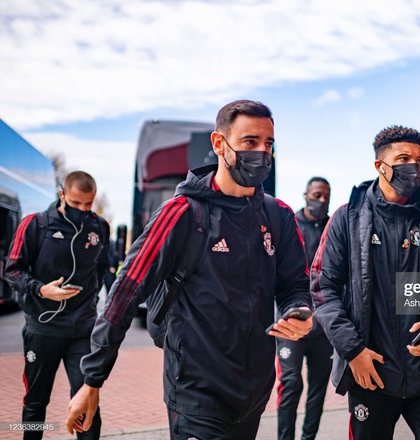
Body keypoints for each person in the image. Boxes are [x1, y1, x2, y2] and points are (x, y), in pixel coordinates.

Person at [65, 100, 314, 440]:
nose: (262, 153)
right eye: (249, 142)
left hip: (253, 396)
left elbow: (294, 285)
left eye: (268, 144)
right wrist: (92, 380)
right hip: (195, 394)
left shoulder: (278, 216)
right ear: (218, 144)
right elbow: (126, 291)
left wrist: (298, 311)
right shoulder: (182, 213)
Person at [310, 125, 420, 440]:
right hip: (370, 375)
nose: (414, 167)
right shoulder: (346, 218)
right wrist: (352, 350)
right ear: (380, 167)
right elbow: (323, 289)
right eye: (403, 158)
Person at [6, 171, 110, 440]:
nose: (83, 210)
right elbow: (12, 270)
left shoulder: (100, 227)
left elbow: (102, 269)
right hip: (42, 329)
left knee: (87, 406)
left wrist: (93, 299)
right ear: (62, 195)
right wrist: (42, 289)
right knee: (35, 403)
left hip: (82, 332)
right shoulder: (35, 224)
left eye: (89, 204)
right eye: (77, 204)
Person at [277, 177, 333, 440]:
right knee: (290, 384)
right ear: (306, 195)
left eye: (326, 197)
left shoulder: (334, 228)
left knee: (318, 388)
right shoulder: (291, 225)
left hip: (323, 325)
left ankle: (308, 438)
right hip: (291, 321)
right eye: (317, 195)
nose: (322, 201)